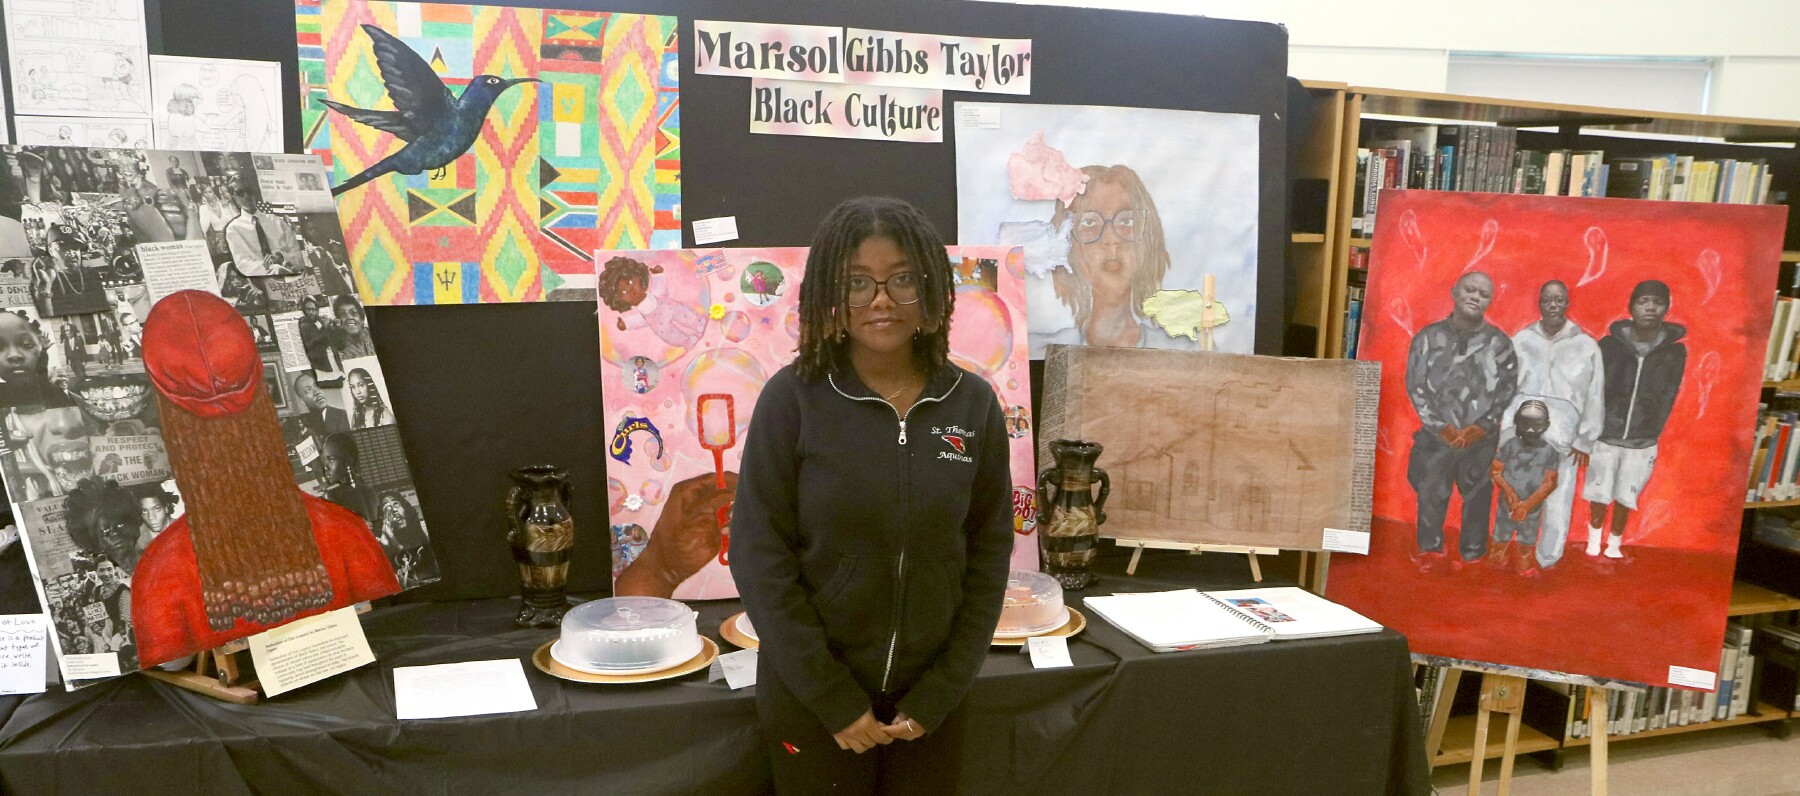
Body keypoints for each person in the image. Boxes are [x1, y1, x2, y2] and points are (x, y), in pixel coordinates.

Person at [727, 197, 1013, 793]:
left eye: (902, 279)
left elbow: (988, 556)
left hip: (930, 708)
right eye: (857, 282)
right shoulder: (792, 400)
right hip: (813, 704)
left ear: (930, 289)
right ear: (830, 294)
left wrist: (940, 693)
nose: (881, 299)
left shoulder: (973, 404)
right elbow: (759, 557)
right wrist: (833, 700)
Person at [131, 290, 397, 666]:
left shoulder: (158, 575)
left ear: (169, 426)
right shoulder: (348, 534)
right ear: (265, 400)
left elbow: (172, 667)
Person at [1405, 271, 1517, 563]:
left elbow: (1507, 389)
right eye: (1470, 290)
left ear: (1490, 302)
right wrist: (1439, 426)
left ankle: (1473, 553)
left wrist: (1481, 427)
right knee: (1431, 493)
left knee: (1478, 496)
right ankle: (1429, 550)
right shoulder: (1427, 338)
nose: (1475, 297)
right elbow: (1416, 386)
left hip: (1480, 439)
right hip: (1436, 437)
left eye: (1483, 294)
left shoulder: (1500, 343)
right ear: (1454, 292)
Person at [1502, 280, 1604, 569]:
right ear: (1539, 303)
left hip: (1564, 436)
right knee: (1515, 490)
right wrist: (1506, 431)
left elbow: (1595, 393)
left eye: (1559, 299)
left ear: (1567, 303)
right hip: (1520, 432)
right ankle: (1509, 549)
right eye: (1547, 299)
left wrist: (1585, 439)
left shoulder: (1586, 346)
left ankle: (1548, 557)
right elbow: (1506, 387)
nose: (1553, 305)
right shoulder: (1521, 341)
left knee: (1559, 495)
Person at [1035, 164, 1192, 351]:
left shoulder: (1186, 350)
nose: (1111, 240)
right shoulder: (1041, 351)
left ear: (1147, 237)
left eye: (1127, 221)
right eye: (1089, 222)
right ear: (1068, 244)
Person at [1586, 280, 1687, 559]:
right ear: (1631, 307)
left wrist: (1652, 427)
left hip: (1643, 441)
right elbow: (1594, 388)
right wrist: (1595, 425)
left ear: (1667, 308)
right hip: (1605, 436)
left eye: (1658, 302)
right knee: (1598, 492)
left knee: (1626, 495)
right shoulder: (1608, 346)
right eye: (1643, 301)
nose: (1650, 308)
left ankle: (1614, 543)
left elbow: (1668, 394)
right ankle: (1593, 539)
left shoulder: (1674, 352)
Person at [1489, 401, 1562, 575]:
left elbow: (1550, 482)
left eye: (1536, 425)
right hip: (1506, 505)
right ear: (1516, 422)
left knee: (1525, 550)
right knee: (1498, 546)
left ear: (1546, 425)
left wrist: (1527, 506)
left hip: (1532, 510)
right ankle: (1492, 580)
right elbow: (1495, 471)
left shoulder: (1550, 451)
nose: (1529, 430)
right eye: (1525, 424)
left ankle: (1522, 583)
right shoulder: (1510, 445)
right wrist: (1510, 494)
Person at [66, 476, 152, 576]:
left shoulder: (156, 560)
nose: (115, 533)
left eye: (120, 525)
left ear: (133, 528)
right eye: (105, 531)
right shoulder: (100, 576)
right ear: (97, 544)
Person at [292, 371, 349, 438]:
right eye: (308, 390)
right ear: (302, 401)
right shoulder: (306, 426)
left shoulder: (344, 416)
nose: (317, 391)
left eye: (316, 385)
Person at [331, 295, 377, 359]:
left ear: (362, 319)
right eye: (343, 314)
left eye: (354, 313)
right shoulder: (337, 348)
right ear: (339, 322)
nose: (349, 317)